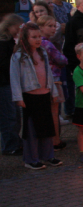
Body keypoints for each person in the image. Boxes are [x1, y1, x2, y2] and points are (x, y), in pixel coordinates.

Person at [10, 23, 62, 170]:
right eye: (34, 37)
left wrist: (53, 92)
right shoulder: (19, 56)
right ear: (25, 39)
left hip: (44, 93)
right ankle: (31, 158)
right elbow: (14, 77)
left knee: (47, 127)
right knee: (31, 129)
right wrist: (18, 98)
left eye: (39, 36)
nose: (38, 39)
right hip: (30, 95)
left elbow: (48, 74)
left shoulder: (42, 53)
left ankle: (47, 155)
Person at [38, 15, 68, 150]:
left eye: (54, 26)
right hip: (53, 80)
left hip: (42, 80)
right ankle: (55, 140)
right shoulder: (47, 44)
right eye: (49, 26)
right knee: (54, 111)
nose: (53, 29)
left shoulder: (38, 43)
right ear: (41, 27)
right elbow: (62, 60)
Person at [0, 14, 25, 156]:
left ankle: (14, 142)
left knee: (14, 115)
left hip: (9, 82)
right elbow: (4, 64)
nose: (18, 30)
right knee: (8, 115)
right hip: (4, 83)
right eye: (17, 27)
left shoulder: (9, 42)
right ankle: (10, 145)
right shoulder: (4, 44)